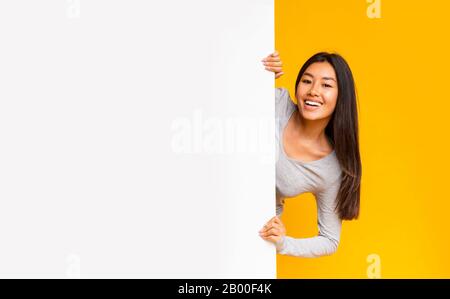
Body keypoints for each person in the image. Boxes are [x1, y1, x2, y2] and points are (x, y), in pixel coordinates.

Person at [258, 51, 362, 257]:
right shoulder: (276, 103)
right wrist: (259, 72)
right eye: (307, 81)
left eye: (326, 85)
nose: (313, 91)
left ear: (341, 96)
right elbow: (227, 97)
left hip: (256, 228)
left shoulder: (330, 169)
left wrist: (283, 243)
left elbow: (330, 240)